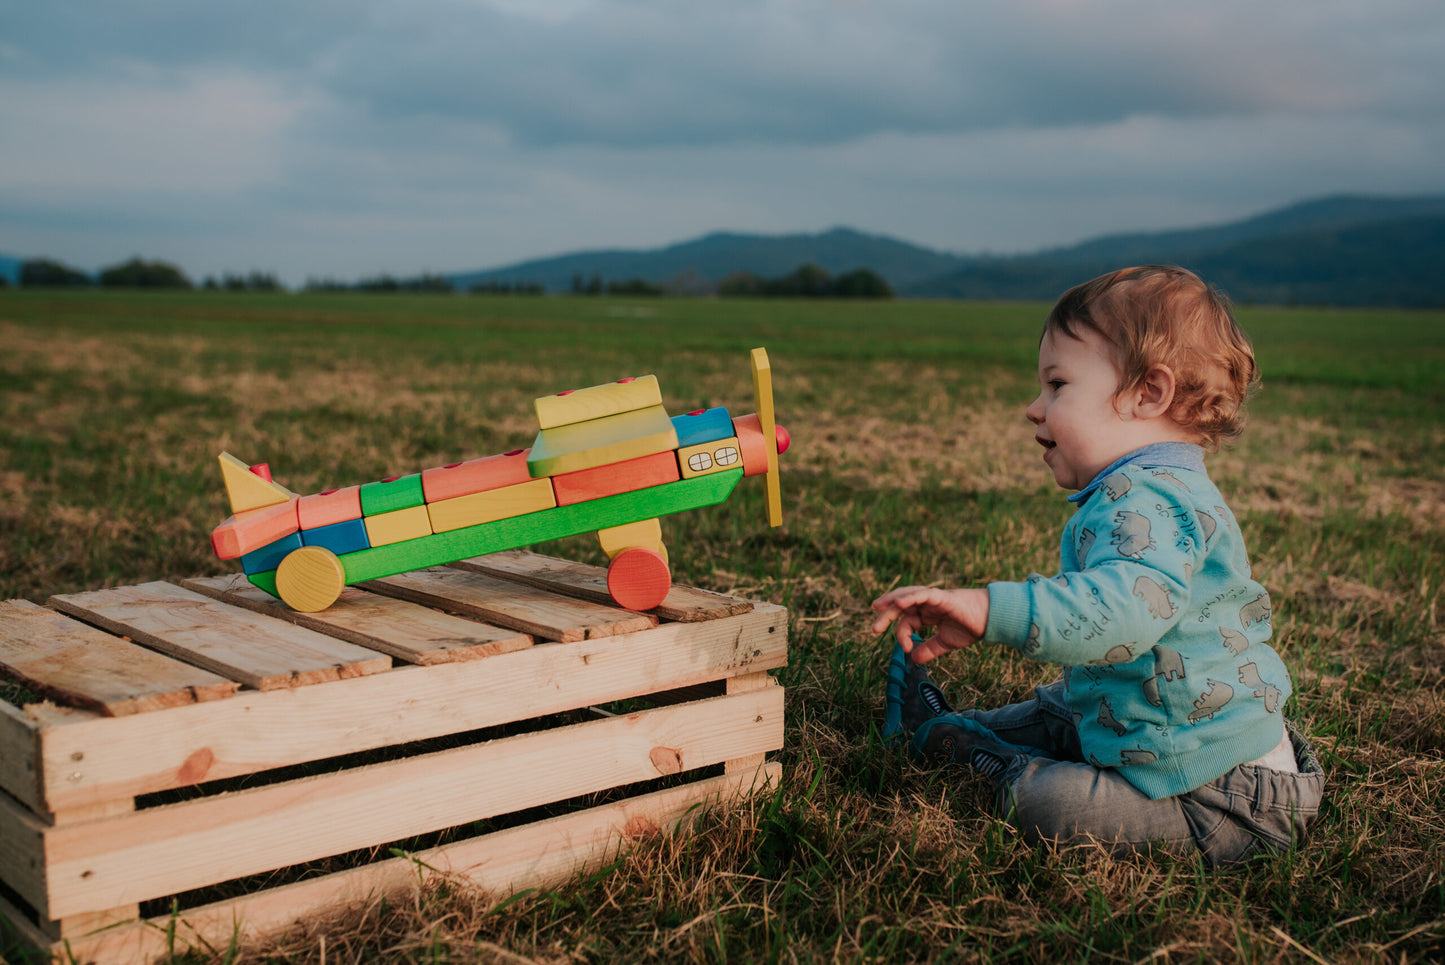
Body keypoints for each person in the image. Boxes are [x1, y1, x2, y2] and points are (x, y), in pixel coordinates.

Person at [870, 265, 1323, 866]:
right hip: (1164, 727)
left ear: (1147, 394)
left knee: (1047, 805)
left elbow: (1117, 618)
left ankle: (995, 759)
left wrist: (989, 609)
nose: (1035, 408)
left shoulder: (1152, 501)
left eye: (1057, 385)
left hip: (1215, 795)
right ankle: (959, 728)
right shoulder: (1150, 486)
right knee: (1062, 708)